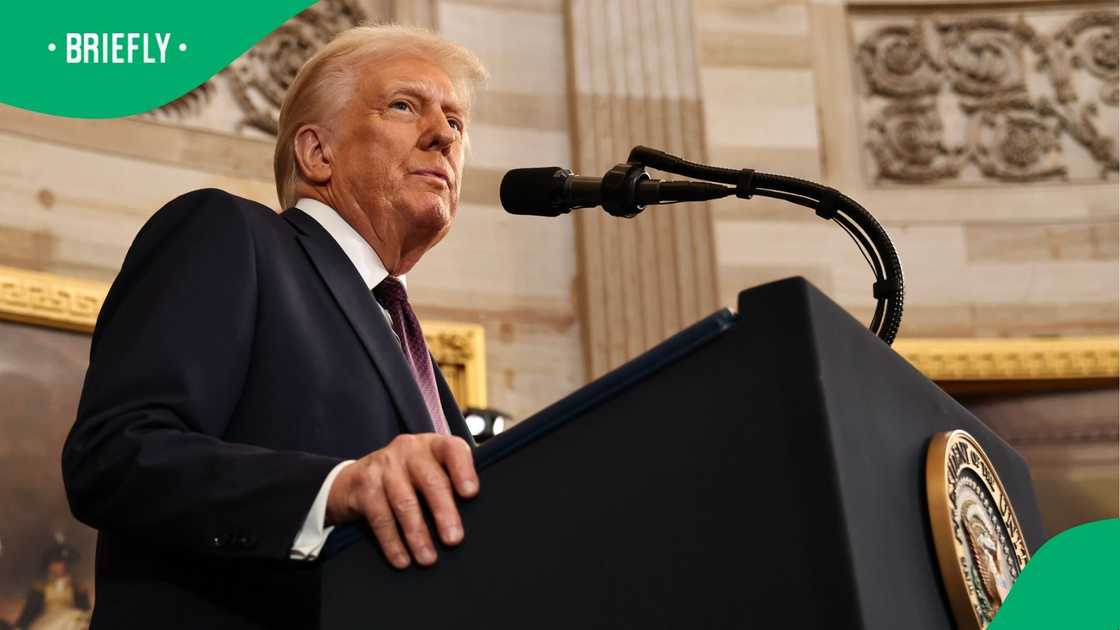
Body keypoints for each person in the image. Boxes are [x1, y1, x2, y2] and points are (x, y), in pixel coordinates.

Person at [61, 25, 488, 629]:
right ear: (317, 154)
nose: (444, 135)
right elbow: (115, 455)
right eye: (403, 105)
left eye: (457, 122)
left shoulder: (411, 349)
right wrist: (334, 489)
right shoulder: (230, 236)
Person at [14, 542, 90, 630]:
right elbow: (29, 612)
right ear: (50, 566)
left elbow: (85, 611)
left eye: (64, 563)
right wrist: (19, 627)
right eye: (57, 563)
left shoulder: (78, 589)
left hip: (71, 622)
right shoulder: (40, 588)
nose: (61, 566)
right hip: (47, 622)